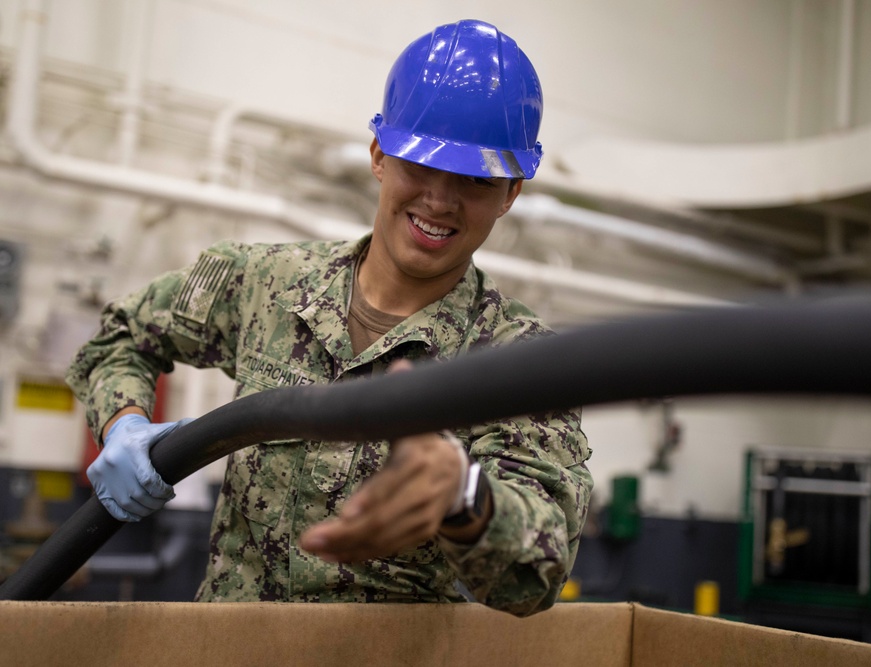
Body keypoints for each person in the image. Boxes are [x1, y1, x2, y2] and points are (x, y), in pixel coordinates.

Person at [66, 19, 592, 617]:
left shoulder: (518, 361)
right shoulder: (265, 283)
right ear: (379, 157)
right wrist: (124, 423)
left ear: (511, 193)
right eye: (420, 164)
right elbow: (121, 336)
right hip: (228, 651)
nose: (440, 200)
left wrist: (463, 496)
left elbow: (538, 573)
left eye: (474, 180)